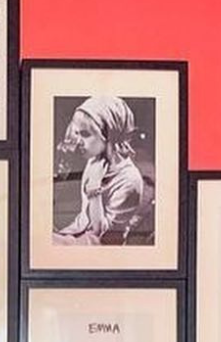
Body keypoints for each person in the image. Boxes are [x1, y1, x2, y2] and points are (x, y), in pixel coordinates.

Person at [53, 95, 149, 245]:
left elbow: (103, 235)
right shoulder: (95, 160)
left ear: (109, 134)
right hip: (78, 233)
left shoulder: (130, 180)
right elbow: (84, 219)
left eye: (85, 134)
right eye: (77, 133)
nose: (78, 141)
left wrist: (94, 190)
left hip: (101, 247)